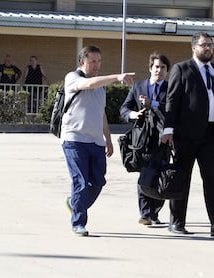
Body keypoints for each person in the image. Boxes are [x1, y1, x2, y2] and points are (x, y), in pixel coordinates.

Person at [161, 31, 214, 237]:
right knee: (182, 178)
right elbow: (172, 101)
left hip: (211, 134)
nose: (208, 48)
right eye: (203, 45)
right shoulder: (182, 69)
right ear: (194, 47)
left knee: (211, 178)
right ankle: (177, 222)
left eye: (210, 44)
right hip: (187, 135)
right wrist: (168, 129)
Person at [62, 45, 134, 236]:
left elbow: (100, 113)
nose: (96, 65)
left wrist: (108, 139)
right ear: (82, 62)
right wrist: (117, 77)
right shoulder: (72, 78)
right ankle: (78, 222)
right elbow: (88, 84)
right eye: (92, 61)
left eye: (99, 61)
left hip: (96, 142)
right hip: (74, 139)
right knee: (81, 182)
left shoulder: (100, 87)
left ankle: (74, 203)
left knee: (98, 183)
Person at [120, 52, 171, 226]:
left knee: (162, 174)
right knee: (145, 174)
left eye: (163, 67)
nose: (159, 70)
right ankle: (145, 213)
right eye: (156, 67)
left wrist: (153, 104)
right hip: (142, 139)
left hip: (163, 139)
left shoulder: (170, 88)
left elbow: (173, 108)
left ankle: (155, 211)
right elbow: (124, 109)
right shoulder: (138, 87)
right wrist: (135, 114)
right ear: (150, 68)